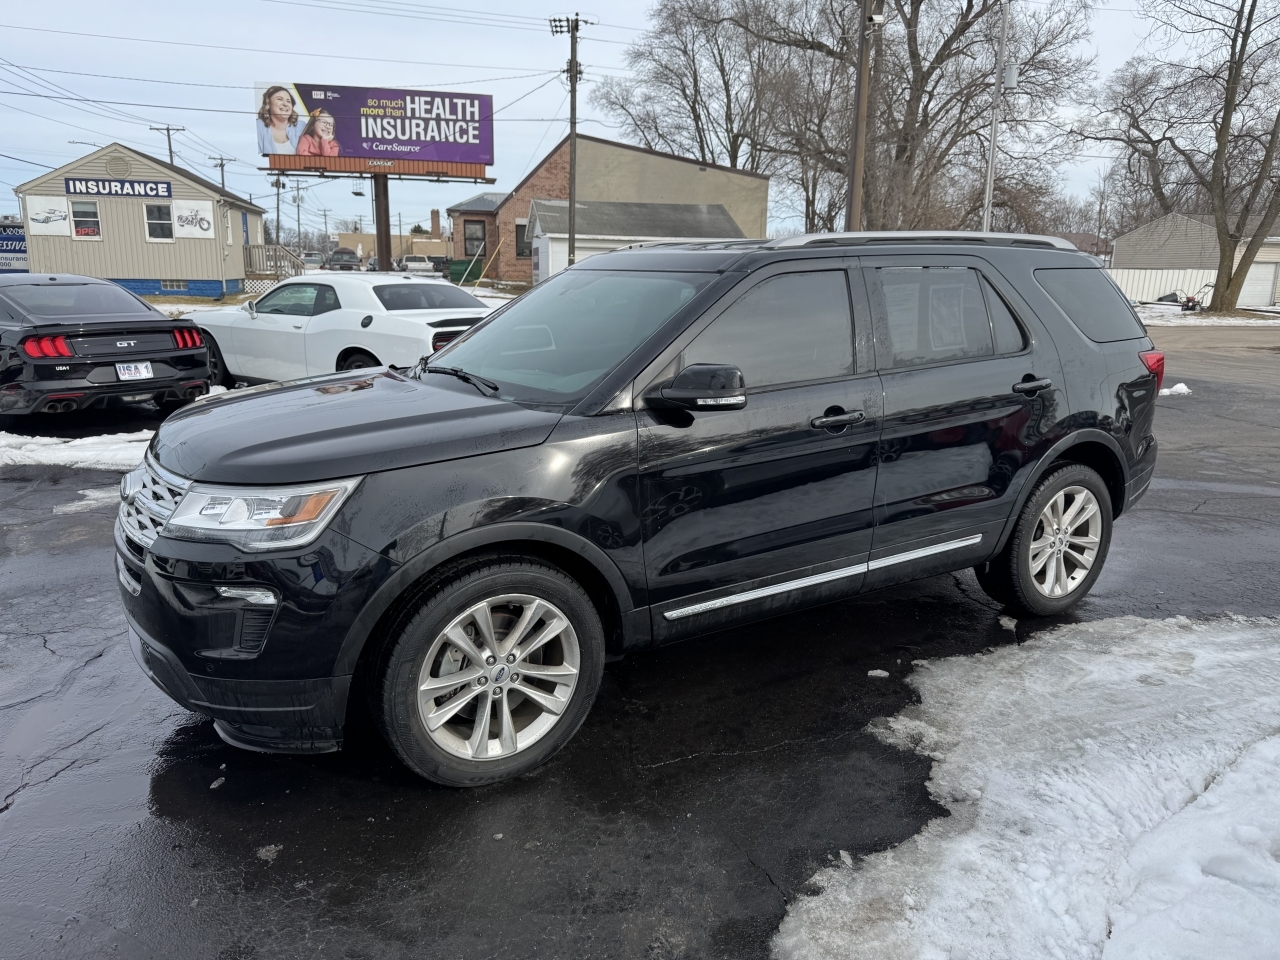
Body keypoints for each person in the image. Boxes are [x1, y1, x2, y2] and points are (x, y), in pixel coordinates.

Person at [257, 86, 301, 155]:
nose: (285, 104)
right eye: (280, 99)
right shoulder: (258, 126)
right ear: (268, 104)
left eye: (288, 101)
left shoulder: (301, 126)